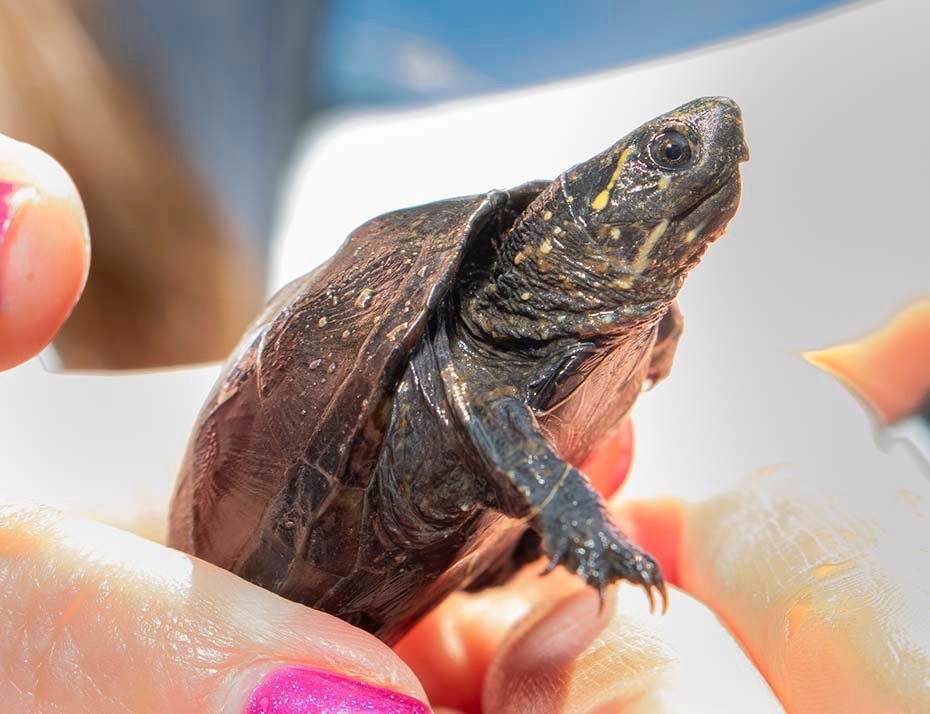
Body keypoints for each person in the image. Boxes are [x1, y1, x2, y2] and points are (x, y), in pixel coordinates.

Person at [2, 134, 928, 713]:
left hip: (439, 576)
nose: (719, 146)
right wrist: (575, 521)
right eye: (667, 154)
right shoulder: (486, 321)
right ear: (573, 210)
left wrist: (530, 539)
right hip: (259, 549)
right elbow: (486, 407)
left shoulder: (637, 328)